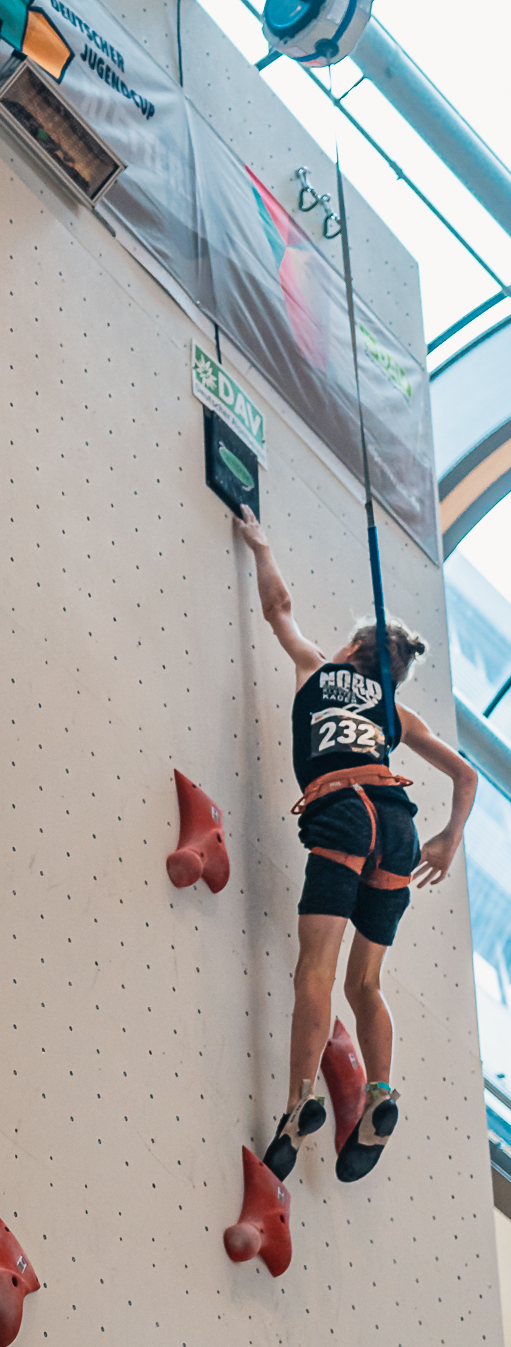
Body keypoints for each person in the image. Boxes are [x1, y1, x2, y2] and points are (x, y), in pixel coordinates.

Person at [236, 506, 477, 1183]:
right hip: (396, 826)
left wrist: (260, 544)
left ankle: (297, 1104)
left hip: (342, 812)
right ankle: (378, 1094)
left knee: (314, 969)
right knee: (363, 981)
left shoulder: (316, 668)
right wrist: (447, 840)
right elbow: (465, 775)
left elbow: (278, 609)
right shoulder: (393, 710)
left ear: (350, 649)